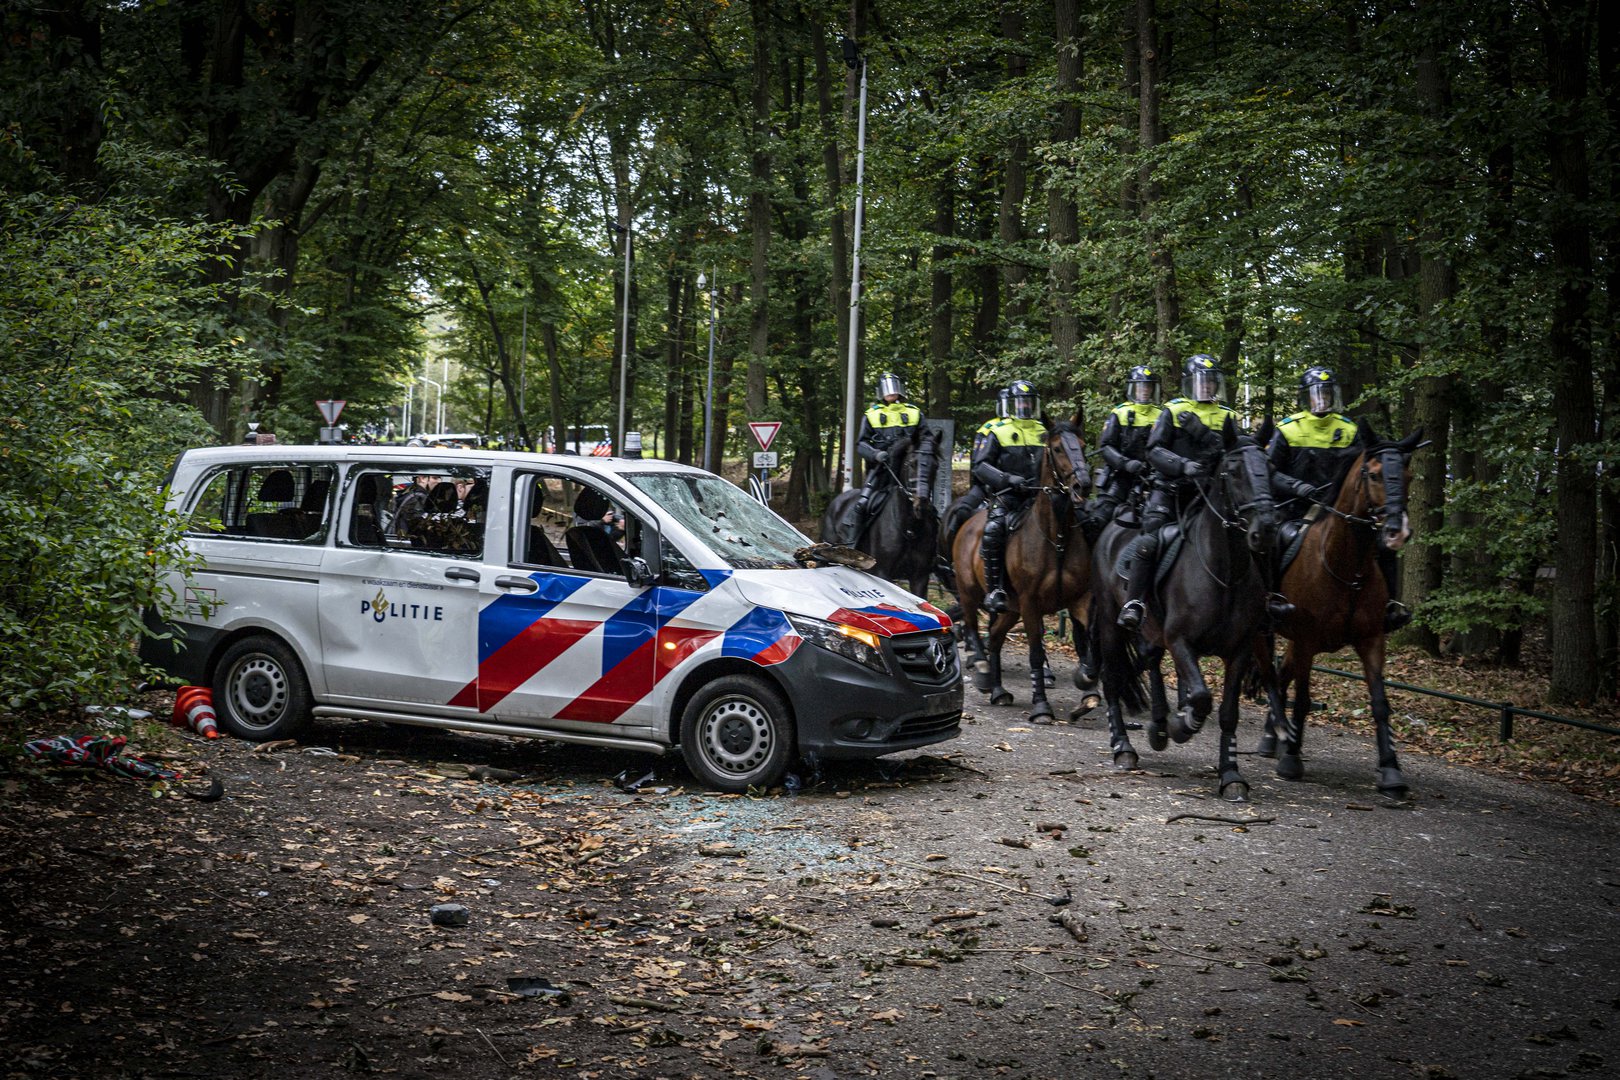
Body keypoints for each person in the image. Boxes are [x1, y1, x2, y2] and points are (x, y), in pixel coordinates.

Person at [1116, 354, 1290, 629]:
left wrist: (1208, 437)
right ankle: (1135, 601)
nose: (1206, 386)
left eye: (1210, 382)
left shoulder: (1227, 415)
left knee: (1254, 536)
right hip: (1171, 491)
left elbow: (1236, 454)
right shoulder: (1173, 411)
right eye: (1201, 381)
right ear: (1189, 384)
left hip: (1213, 494)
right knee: (1151, 537)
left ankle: (1268, 598)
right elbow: (1154, 450)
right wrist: (1183, 466)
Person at [1270, 365, 1412, 632]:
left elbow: (1362, 470)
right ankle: (1271, 599)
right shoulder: (1288, 429)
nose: (1322, 399)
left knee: (1382, 544)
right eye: (1316, 394)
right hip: (1296, 507)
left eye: (1326, 393)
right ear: (1305, 397)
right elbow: (1270, 471)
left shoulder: (1348, 429)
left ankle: (1390, 605)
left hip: (1337, 509)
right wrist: (1298, 487)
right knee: (1277, 537)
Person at [972, 379, 1047, 612]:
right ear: (1012, 405)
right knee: (993, 529)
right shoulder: (998, 431)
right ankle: (995, 589)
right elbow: (981, 466)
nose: (1024, 406)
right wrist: (1007, 479)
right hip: (1008, 495)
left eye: (1028, 402)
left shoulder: (1043, 431)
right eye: (1020, 402)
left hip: (1040, 496)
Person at [843, 372, 926, 545]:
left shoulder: (914, 412)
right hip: (882, 469)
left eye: (894, 388)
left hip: (910, 470)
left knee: (926, 506)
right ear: (881, 392)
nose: (891, 392)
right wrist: (876, 454)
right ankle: (851, 544)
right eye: (887, 389)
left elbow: (926, 439)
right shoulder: (871, 414)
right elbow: (861, 444)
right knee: (862, 503)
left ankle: (936, 550)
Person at [1092, 365, 1164, 524]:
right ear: (1133, 389)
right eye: (1141, 386)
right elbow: (1106, 447)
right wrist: (1126, 464)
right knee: (1101, 515)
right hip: (1121, 476)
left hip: (1152, 478)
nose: (1145, 390)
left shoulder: (1161, 415)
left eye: (1148, 386)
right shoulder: (1119, 413)